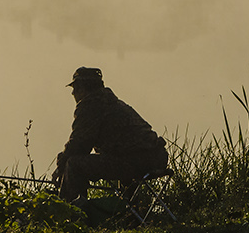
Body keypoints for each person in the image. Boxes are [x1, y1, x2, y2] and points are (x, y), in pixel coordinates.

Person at [53, 67, 168, 204]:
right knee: (117, 158)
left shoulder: (90, 106)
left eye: (74, 88)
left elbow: (79, 144)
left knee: (74, 164)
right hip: (156, 157)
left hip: (135, 161)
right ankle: (131, 213)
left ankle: (72, 215)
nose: (73, 93)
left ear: (82, 88)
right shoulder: (113, 103)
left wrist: (60, 167)